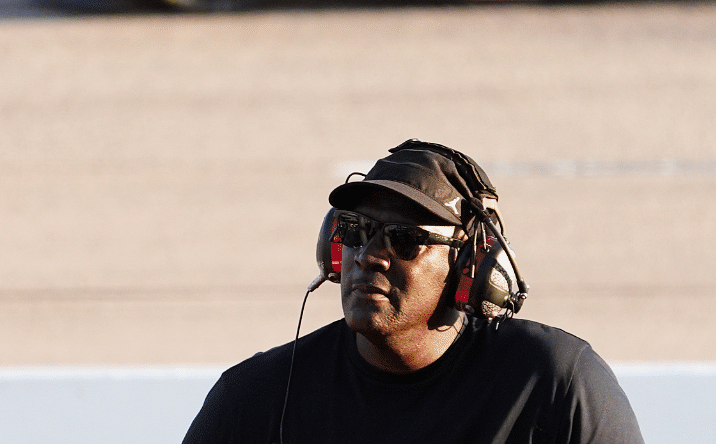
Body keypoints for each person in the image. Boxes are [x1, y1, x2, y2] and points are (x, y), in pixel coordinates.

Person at [182, 139, 645, 444]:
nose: (369, 255)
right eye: (358, 231)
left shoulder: (553, 383)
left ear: (470, 263)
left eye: (405, 240)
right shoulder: (256, 397)